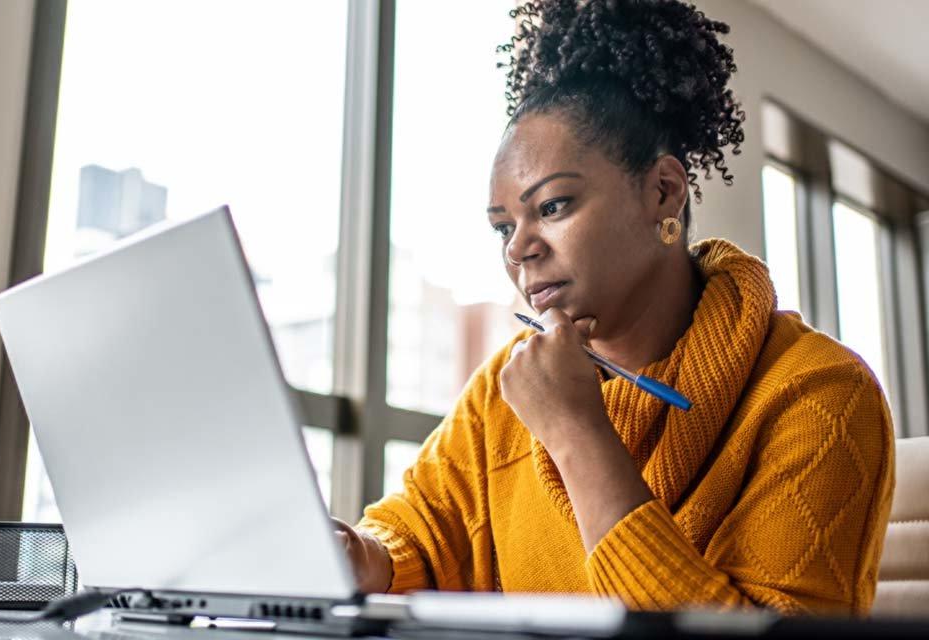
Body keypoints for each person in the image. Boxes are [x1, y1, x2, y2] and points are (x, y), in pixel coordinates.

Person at [333, 0, 894, 615]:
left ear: (663, 192)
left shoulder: (821, 394)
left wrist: (577, 434)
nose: (519, 247)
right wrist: (365, 555)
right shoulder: (504, 390)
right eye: (502, 227)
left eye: (552, 207)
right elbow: (420, 530)